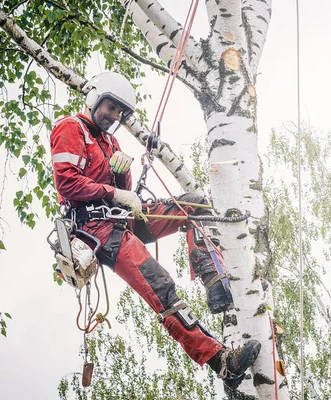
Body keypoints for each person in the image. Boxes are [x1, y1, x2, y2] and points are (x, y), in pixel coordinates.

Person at [49, 71, 260, 389]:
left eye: (119, 112)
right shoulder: (71, 128)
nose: (114, 116)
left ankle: (214, 280)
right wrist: (115, 192)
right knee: (161, 287)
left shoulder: (111, 141)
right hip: (98, 230)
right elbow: (66, 181)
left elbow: (124, 192)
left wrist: (122, 177)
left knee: (194, 203)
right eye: (110, 107)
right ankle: (222, 362)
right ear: (95, 101)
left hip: (123, 217)